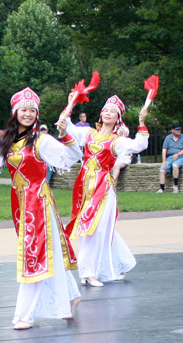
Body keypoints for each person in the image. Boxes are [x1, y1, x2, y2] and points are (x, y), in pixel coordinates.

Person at [0, 87, 82, 330]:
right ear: (15, 113)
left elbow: (70, 158)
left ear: (37, 114)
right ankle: (70, 296)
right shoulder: (6, 140)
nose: (28, 113)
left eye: (32, 110)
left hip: (38, 203)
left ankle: (24, 314)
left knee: (34, 255)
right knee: (46, 251)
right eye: (23, 110)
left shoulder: (41, 140)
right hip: (20, 203)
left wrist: (66, 135)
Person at [64, 94, 149, 287]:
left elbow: (140, 145)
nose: (108, 113)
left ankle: (88, 273)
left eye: (113, 111)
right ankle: (122, 261)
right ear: (101, 114)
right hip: (84, 186)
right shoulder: (88, 134)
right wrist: (71, 103)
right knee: (98, 227)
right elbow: (66, 125)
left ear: (118, 117)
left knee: (95, 227)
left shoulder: (116, 141)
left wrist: (142, 122)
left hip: (103, 187)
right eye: (106, 110)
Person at [156, 123, 183, 193]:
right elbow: (164, 149)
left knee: (175, 165)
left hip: (180, 156)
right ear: (172, 130)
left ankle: (175, 186)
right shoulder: (168, 138)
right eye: (177, 130)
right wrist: (164, 161)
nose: (179, 131)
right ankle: (162, 189)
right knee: (162, 171)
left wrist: (178, 154)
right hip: (170, 157)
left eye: (179, 129)